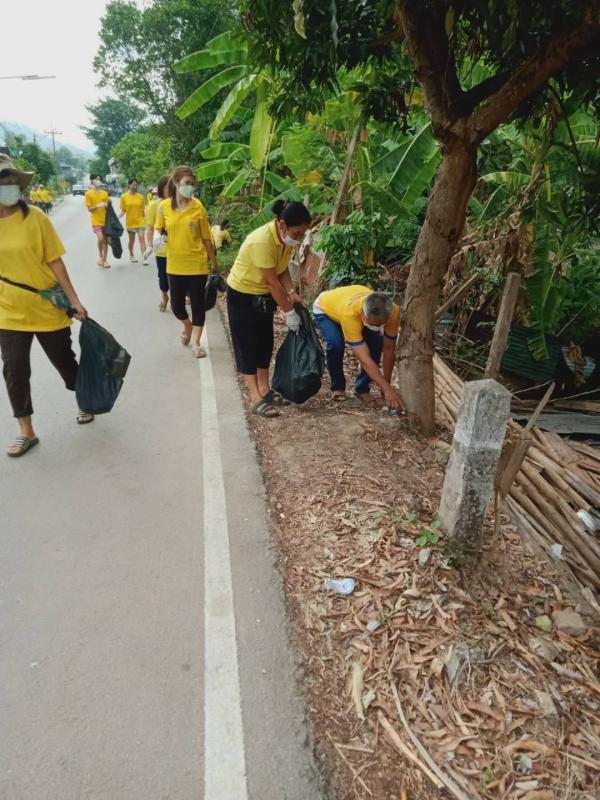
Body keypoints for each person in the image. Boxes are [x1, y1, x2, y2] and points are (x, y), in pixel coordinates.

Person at [0, 154, 92, 458]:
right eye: (4, 180)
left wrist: (75, 300)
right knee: (14, 369)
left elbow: (55, 261)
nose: (10, 186)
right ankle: (26, 431)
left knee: (65, 361)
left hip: (45, 306)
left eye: (13, 180)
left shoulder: (35, 217)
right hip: (9, 310)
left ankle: (84, 400)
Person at [226, 200, 310, 417]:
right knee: (247, 345)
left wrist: (291, 293)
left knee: (265, 342)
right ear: (282, 224)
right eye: (297, 232)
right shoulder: (262, 240)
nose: (299, 238)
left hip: (262, 295)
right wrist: (288, 312)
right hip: (242, 293)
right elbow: (272, 281)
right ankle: (254, 396)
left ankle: (264, 389)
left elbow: (281, 271)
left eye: (302, 234)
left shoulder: (285, 242)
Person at [155, 165, 218, 358]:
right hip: (174, 264)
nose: (189, 187)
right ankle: (187, 325)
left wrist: (213, 261)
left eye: (192, 184)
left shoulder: (198, 207)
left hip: (197, 264)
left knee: (198, 305)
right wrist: (156, 238)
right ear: (175, 183)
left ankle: (197, 343)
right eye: (186, 183)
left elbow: (206, 237)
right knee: (177, 306)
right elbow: (159, 229)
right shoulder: (164, 206)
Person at [312, 285, 405, 410]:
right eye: (373, 324)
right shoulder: (350, 315)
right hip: (325, 309)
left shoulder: (393, 311)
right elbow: (364, 359)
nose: (377, 327)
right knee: (336, 344)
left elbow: (389, 348)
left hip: (347, 301)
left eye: (381, 324)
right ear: (363, 315)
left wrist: (386, 385)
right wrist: (388, 389)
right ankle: (337, 387)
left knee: (376, 344)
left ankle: (362, 388)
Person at [145, 176, 170, 312]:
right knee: (163, 277)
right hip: (162, 249)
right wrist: (149, 245)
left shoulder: (180, 204)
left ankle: (182, 296)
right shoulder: (155, 205)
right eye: (168, 188)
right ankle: (164, 295)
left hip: (178, 249)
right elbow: (149, 227)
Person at [84, 174, 110, 268]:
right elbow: (89, 209)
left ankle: (104, 260)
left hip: (105, 220)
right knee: (101, 239)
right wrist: (97, 205)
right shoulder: (88, 194)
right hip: (96, 221)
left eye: (99, 179)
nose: (98, 181)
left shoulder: (104, 193)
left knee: (105, 241)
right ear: (92, 181)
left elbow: (108, 205)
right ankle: (100, 255)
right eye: (96, 179)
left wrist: (106, 205)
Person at [119, 178, 147, 264]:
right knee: (131, 241)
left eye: (136, 185)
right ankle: (131, 255)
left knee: (142, 239)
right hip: (130, 223)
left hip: (141, 221)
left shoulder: (141, 197)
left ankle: (144, 258)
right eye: (133, 184)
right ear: (129, 185)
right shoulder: (124, 197)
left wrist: (147, 217)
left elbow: (144, 209)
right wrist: (119, 216)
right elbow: (123, 209)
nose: (135, 186)